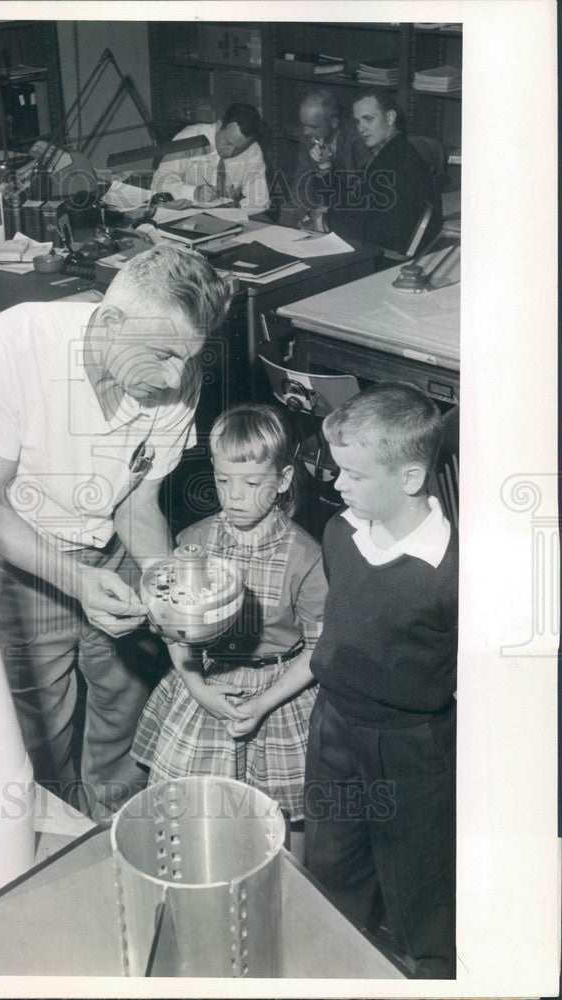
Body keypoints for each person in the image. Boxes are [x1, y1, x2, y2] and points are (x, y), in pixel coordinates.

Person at [0, 243, 229, 821]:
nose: (177, 376)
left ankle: (111, 821)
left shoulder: (175, 378)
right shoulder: (8, 348)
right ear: (112, 322)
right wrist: (77, 581)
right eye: (165, 354)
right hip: (19, 545)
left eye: (188, 357)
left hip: (110, 540)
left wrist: (165, 583)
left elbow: (139, 499)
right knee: (37, 716)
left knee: (125, 692)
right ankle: (51, 828)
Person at [303, 382, 457, 978]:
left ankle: (430, 974)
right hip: (334, 723)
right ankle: (330, 967)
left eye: (354, 475)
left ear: (411, 478)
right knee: (332, 861)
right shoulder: (342, 533)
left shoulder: (451, 574)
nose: (337, 485)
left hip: (410, 745)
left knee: (417, 877)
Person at [132, 404, 326, 860]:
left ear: (281, 481)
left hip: (279, 692)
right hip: (207, 682)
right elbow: (177, 631)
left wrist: (260, 703)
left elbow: (319, 649)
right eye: (222, 480)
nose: (233, 496)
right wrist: (197, 687)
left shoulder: (306, 555)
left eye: (252, 483)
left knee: (284, 822)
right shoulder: (192, 544)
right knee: (192, 813)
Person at [317, 89, 442, 255]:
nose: (361, 128)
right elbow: (362, 204)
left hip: (384, 256)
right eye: (357, 122)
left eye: (368, 119)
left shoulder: (397, 161)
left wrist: (325, 220)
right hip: (375, 245)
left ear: (390, 117)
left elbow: (376, 229)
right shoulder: (392, 152)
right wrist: (326, 168)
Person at [150, 103, 270, 213]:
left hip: (226, 218)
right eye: (228, 142)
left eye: (239, 148)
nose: (231, 152)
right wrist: (194, 192)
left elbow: (259, 201)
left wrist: (233, 210)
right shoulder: (191, 138)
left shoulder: (252, 150)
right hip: (181, 212)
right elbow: (160, 182)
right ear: (219, 125)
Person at [289, 87, 371, 212]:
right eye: (303, 124)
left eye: (313, 126)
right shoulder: (308, 137)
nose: (305, 132)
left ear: (334, 122)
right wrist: (306, 217)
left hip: (353, 210)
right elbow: (300, 183)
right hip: (320, 210)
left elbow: (364, 191)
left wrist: (326, 167)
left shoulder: (357, 136)